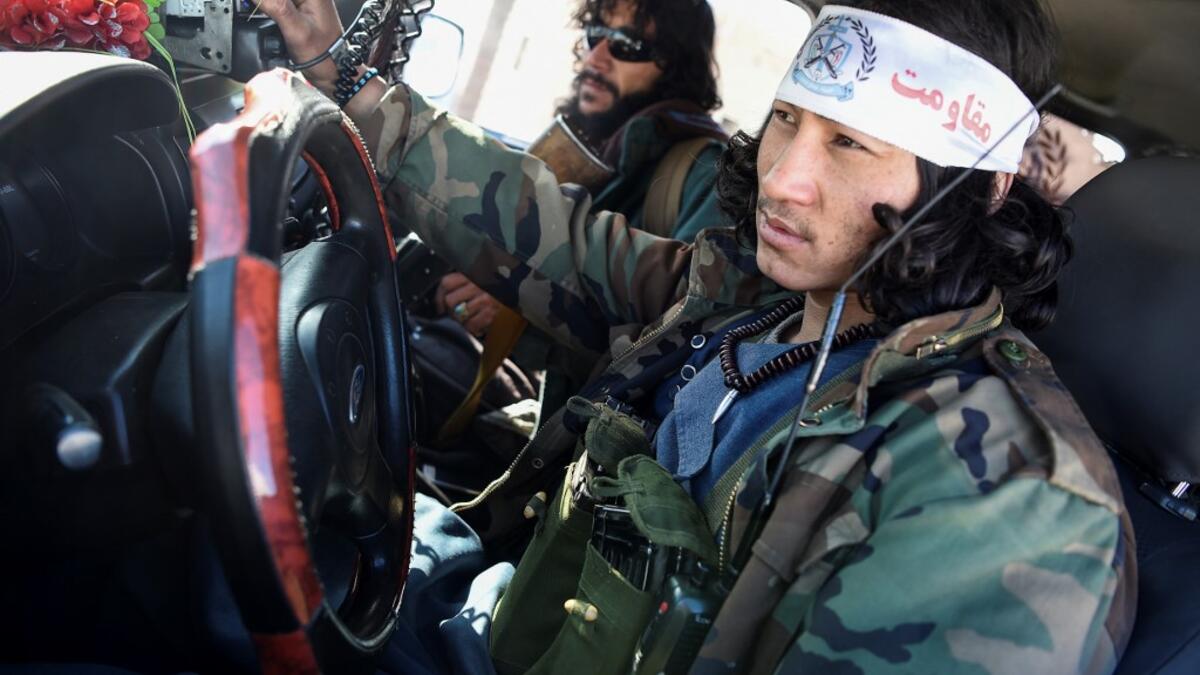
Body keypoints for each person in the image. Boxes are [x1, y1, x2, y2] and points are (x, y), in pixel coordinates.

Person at [264, 0, 1137, 672]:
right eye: (789, 119)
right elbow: (549, 239)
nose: (782, 179)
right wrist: (340, 74)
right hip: (486, 608)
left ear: (974, 188)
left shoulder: (1007, 503)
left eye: (850, 145)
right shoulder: (745, 299)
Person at [432, 0, 728, 338]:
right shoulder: (592, 144)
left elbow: (682, 333)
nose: (595, 58)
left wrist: (521, 307)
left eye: (627, 45)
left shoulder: (705, 172)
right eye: (594, 35)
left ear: (675, 64)